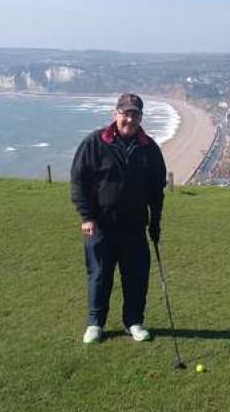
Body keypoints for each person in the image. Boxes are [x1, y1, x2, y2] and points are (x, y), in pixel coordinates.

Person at [69, 93, 167, 344]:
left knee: (135, 277)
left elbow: (157, 191)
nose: (130, 118)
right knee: (100, 276)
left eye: (135, 114)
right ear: (116, 114)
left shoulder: (149, 148)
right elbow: (79, 181)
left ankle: (133, 321)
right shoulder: (95, 142)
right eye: (126, 113)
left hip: (134, 228)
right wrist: (87, 216)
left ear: (140, 117)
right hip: (100, 227)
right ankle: (95, 323)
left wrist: (155, 223)